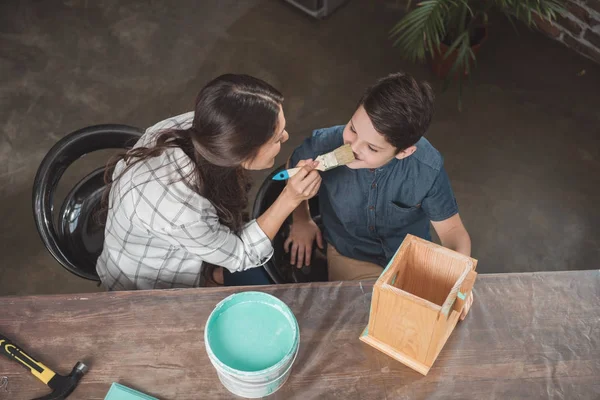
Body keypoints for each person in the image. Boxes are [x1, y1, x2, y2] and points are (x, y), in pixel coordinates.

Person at [97, 74, 321, 290]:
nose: (286, 137)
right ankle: (208, 276)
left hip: (181, 238)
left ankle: (211, 271)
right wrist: (290, 199)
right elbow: (240, 254)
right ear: (240, 152)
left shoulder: (209, 128)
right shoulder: (181, 210)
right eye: (277, 137)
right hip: (152, 280)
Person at [285, 72, 473, 319]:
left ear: (404, 152)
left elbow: (452, 233)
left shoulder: (426, 167)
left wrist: (458, 277)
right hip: (349, 252)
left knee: (426, 320)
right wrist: (301, 220)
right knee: (366, 319)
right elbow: (292, 167)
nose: (353, 148)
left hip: (409, 259)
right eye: (353, 129)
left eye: (372, 148)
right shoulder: (324, 143)